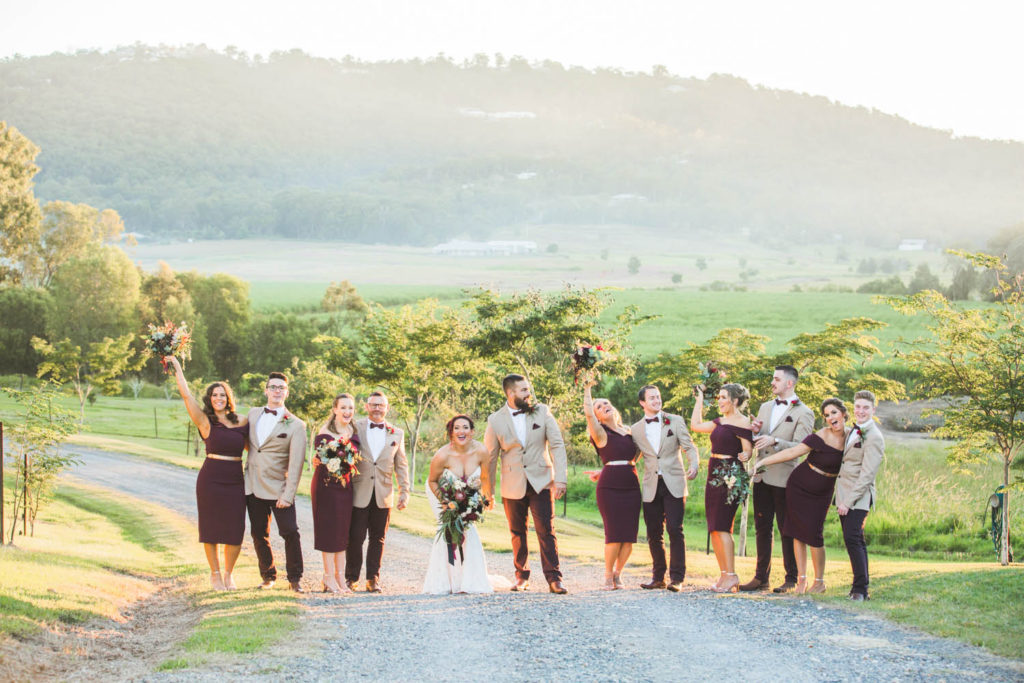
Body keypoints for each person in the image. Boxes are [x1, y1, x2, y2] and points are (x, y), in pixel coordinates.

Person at [484, 373, 569, 594]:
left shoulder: (542, 411)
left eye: (528, 389)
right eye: (523, 390)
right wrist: (488, 492)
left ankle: (554, 578)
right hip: (512, 483)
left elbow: (557, 445)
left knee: (546, 530)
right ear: (511, 393)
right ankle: (522, 576)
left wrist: (561, 478)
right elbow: (490, 458)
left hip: (542, 480)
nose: (528, 394)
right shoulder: (495, 420)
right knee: (517, 532)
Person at [753, 398, 849, 594]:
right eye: (827, 415)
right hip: (799, 486)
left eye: (834, 413)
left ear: (844, 414)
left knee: (815, 534)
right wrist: (763, 462)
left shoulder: (852, 438)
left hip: (823, 491)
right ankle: (801, 581)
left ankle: (819, 581)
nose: (831, 418)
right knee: (797, 532)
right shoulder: (820, 436)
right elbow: (794, 452)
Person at [167, 356, 247, 591]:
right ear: (209, 399)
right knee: (211, 527)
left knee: (235, 528)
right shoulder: (204, 420)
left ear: (229, 398)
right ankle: (214, 574)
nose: (219, 398)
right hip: (211, 478)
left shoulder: (242, 421)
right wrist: (178, 368)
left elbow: (256, 449)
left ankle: (229, 574)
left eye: (222, 395)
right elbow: (185, 395)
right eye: (214, 395)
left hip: (235, 479)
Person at [741, 365, 815, 593]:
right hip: (762, 476)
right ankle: (761, 577)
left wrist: (775, 442)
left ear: (789, 383)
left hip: (786, 479)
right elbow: (757, 440)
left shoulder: (805, 412)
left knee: (786, 529)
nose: (772, 382)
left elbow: (803, 447)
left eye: (776, 379)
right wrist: (754, 433)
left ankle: (791, 578)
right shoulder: (764, 407)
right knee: (762, 528)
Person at [422, 415, 509, 594]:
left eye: (465, 427)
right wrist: (445, 502)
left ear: (472, 431)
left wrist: (487, 497)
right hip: (441, 492)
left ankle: (469, 580)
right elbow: (432, 481)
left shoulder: (481, 452)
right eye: (457, 428)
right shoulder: (442, 455)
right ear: (451, 433)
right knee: (448, 527)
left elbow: (485, 477)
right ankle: (447, 582)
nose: (461, 431)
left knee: (468, 530)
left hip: (469, 493)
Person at [630, 384, 699, 592]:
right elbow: (633, 458)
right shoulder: (636, 429)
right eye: (651, 398)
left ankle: (677, 578)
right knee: (653, 533)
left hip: (674, 482)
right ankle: (658, 577)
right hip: (651, 484)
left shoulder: (675, 421)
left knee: (675, 530)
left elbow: (689, 446)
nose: (656, 400)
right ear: (642, 403)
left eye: (658, 397)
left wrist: (694, 464)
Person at [244, 371, 308, 593]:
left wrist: (288, 494)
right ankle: (268, 575)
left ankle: (295, 578)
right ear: (266, 390)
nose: (277, 391)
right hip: (252, 485)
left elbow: (296, 464)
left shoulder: (296, 425)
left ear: (287, 392)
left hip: (279, 488)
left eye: (281, 387)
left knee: (290, 531)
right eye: (273, 387)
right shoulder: (252, 414)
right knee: (258, 532)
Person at [344, 391, 410, 593]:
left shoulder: (396, 433)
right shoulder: (354, 426)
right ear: (366, 407)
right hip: (359, 490)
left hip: (383, 493)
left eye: (381, 405)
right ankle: (351, 577)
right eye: (373, 404)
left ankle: (373, 579)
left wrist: (404, 491)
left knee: (378, 538)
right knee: (355, 538)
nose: (377, 408)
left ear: (387, 408)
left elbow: (402, 464)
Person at [690, 383, 753, 593]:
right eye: (719, 397)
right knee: (714, 527)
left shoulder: (745, 422)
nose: (720, 400)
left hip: (731, 474)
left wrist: (746, 456)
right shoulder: (719, 422)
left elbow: (747, 451)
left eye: (724, 397)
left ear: (735, 400)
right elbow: (696, 425)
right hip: (714, 471)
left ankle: (732, 575)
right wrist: (700, 398)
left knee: (724, 525)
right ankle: (723, 574)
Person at [583, 378, 642, 590]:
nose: (604, 407)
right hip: (610, 489)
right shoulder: (599, 434)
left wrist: (606, 469)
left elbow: (635, 456)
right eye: (599, 406)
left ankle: (619, 573)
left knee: (629, 536)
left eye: (606, 403)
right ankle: (608, 575)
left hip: (631, 485)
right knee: (614, 533)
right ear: (597, 416)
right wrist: (588, 389)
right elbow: (588, 414)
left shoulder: (629, 431)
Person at [836, 390, 885, 601]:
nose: (861, 411)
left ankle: (860, 589)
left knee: (852, 537)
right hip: (844, 492)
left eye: (866, 407)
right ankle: (859, 587)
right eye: (858, 407)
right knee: (855, 539)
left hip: (859, 496)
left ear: (873, 410)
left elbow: (867, 475)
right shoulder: (852, 432)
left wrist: (848, 501)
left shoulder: (874, 437)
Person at [310, 393, 358, 594]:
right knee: (328, 530)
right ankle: (328, 577)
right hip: (326, 486)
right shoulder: (324, 433)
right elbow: (321, 460)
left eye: (350, 408)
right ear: (335, 409)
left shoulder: (354, 431)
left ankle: (339, 576)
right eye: (343, 407)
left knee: (342, 531)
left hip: (345, 487)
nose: (347, 412)